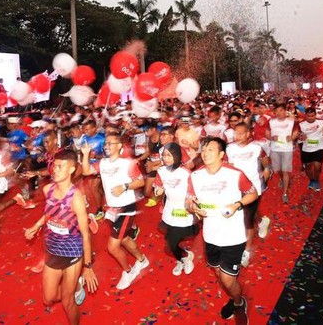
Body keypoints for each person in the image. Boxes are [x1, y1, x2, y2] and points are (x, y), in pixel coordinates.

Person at [186, 137, 257, 323]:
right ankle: (234, 294)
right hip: (210, 237)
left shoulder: (235, 174)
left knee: (226, 280)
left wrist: (237, 205)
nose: (205, 153)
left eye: (211, 149)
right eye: (204, 149)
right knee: (219, 274)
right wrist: (193, 207)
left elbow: (253, 193)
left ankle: (239, 302)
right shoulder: (195, 176)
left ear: (221, 154)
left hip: (233, 237)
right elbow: (188, 201)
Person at [24, 150, 98, 324]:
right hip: (51, 249)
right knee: (48, 298)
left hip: (72, 252)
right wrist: (37, 225)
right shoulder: (47, 189)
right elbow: (50, 213)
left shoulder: (76, 199)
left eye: (59, 166)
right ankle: (76, 287)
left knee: (67, 301)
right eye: (54, 166)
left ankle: (72, 295)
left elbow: (86, 236)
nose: (54, 170)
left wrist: (88, 267)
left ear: (71, 170)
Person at [80, 132, 149, 290]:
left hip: (126, 208)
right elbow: (86, 171)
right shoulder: (103, 163)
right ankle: (142, 259)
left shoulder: (127, 164)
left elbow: (140, 182)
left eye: (110, 143)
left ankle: (128, 271)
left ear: (119, 146)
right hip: (112, 209)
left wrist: (124, 187)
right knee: (124, 239)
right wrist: (85, 155)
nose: (106, 146)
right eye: (106, 143)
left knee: (113, 247)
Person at [226, 122, 271, 267]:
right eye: (235, 133)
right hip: (236, 189)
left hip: (253, 189)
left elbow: (266, 163)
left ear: (248, 134)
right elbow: (230, 167)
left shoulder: (257, 148)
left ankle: (246, 251)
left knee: (247, 220)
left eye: (240, 133)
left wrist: (266, 172)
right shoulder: (230, 148)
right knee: (242, 215)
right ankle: (262, 220)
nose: (237, 136)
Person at [153, 142, 197, 276]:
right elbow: (158, 188)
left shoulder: (186, 173)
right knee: (171, 242)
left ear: (177, 156)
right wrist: (157, 191)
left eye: (169, 155)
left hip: (184, 210)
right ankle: (183, 258)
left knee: (172, 242)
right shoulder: (161, 171)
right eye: (164, 155)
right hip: (169, 209)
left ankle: (184, 256)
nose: (166, 158)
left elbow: (193, 193)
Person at [266, 103, 297, 203]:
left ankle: (285, 193)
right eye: (276, 111)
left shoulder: (291, 121)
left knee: (285, 171)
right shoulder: (271, 121)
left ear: (285, 111)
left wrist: (292, 137)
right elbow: (267, 133)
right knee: (277, 170)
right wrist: (271, 138)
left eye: (281, 110)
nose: (278, 113)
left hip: (287, 149)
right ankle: (282, 179)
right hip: (275, 149)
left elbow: (297, 131)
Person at [298, 107, 323, 191]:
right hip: (306, 148)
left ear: (315, 115)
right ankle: (312, 180)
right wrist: (300, 136)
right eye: (308, 116)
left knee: (317, 166)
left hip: (319, 147)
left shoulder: (321, 122)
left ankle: (316, 180)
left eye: (312, 116)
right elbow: (298, 135)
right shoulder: (301, 124)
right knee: (308, 166)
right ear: (305, 115)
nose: (311, 118)